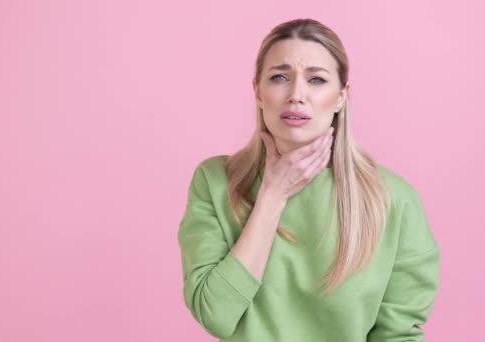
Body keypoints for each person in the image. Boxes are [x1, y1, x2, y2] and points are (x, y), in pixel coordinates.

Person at [177, 18, 440, 342]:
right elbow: (214, 314)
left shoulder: (393, 199)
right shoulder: (215, 182)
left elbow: (398, 334)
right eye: (279, 77)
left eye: (316, 79)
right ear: (258, 91)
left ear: (342, 97)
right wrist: (273, 195)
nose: (296, 95)